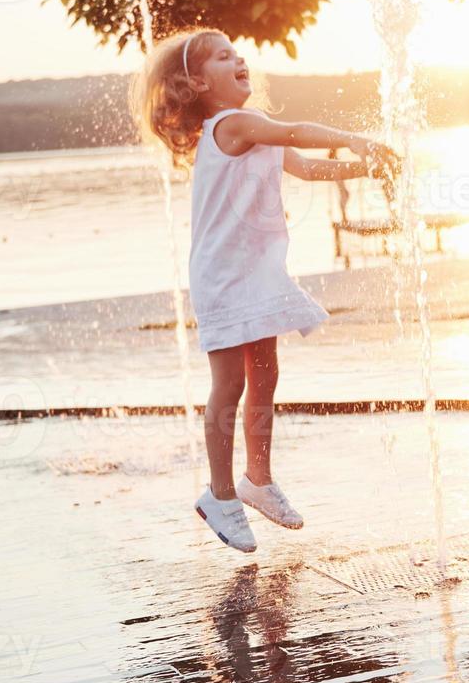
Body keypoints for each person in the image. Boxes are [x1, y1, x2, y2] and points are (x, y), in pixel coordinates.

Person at [135, 29, 398, 551]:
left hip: (257, 272)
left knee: (266, 372)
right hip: (224, 276)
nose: (239, 59)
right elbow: (300, 133)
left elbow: (306, 166)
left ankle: (259, 478)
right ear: (195, 83)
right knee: (229, 383)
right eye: (223, 57)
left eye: (238, 52)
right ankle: (220, 493)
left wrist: (367, 167)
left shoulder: (253, 133)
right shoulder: (232, 125)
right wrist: (356, 137)